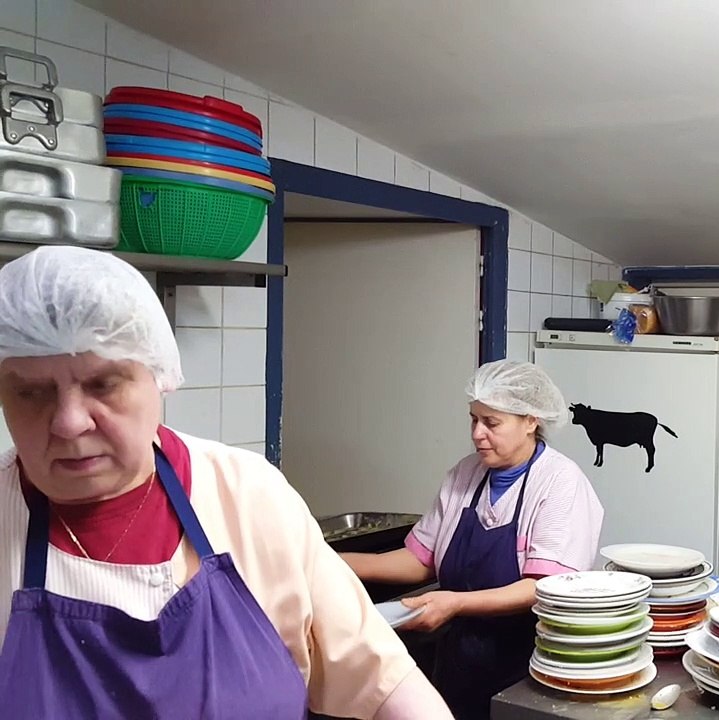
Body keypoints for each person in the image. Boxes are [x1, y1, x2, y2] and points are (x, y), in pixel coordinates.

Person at [0, 245, 453, 719]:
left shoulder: (249, 495)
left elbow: (385, 683)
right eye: (31, 392)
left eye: (102, 384)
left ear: (159, 376)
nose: (69, 422)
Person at [342, 359, 604, 720]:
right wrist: (333, 560)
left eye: (491, 423)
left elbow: (543, 587)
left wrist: (455, 603)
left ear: (531, 421)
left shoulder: (559, 483)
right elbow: (421, 559)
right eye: (473, 419)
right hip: (460, 663)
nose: (477, 433)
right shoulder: (465, 474)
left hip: (528, 665)